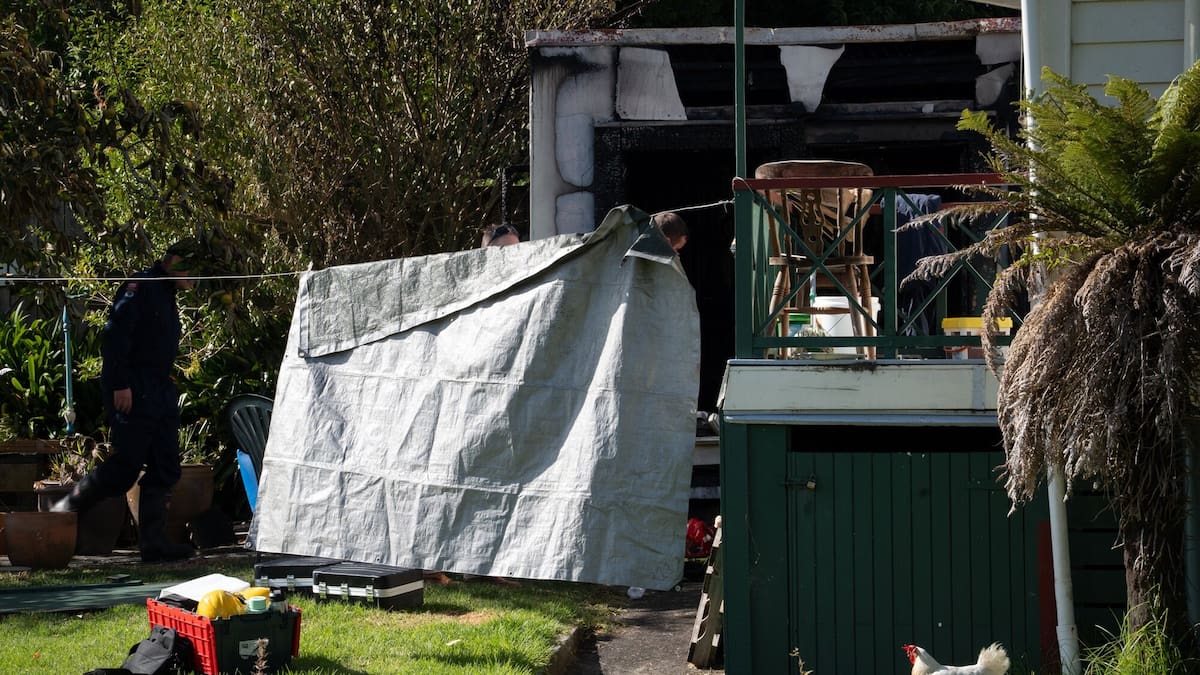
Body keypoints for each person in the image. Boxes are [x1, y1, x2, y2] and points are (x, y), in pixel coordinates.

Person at [52, 240, 200, 563]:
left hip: (159, 389)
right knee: (125, 468)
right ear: (173, 261)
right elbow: (116, 336)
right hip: (133, 387)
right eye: (190, 267)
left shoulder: (167, 293)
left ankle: (154, 544)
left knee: (165, 465)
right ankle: (61, 512)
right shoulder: (140, 287)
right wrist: (120, 384)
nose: (195, 277)